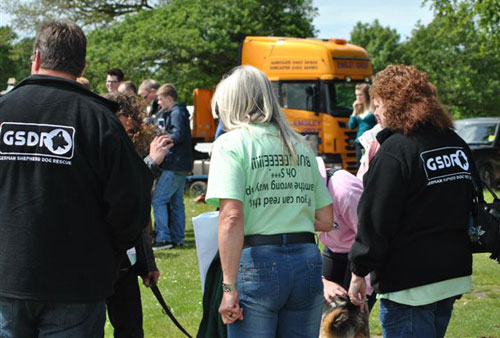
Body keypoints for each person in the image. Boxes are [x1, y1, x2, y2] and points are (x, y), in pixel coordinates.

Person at [0, 20, 153, 336]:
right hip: (74, 283)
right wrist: (108, 250)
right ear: (81, 63)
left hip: (17, 281)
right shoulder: (100, 121)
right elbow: (133, 203)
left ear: (37, 58)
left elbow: (131, 203)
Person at [205, 65, 333, 337]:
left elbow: (231, 217)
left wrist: (228, 288)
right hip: (307, 260)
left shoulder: (230, 144)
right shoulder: (300, 145)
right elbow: (325, 219)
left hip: (258, 262)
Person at [348, 65, 474, 338]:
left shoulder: (395, 151)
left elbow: (375, 219)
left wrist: (358, 272)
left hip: (410, 282)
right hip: (451, 273)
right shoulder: (454, 142)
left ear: (393, 105)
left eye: (378, 104)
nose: (376, 112)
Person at [104, 92, 173, 337]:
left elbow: (140, 214)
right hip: (96, 259)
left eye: (116, 115)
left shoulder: (127, 148)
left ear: (130, 122)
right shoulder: (97, 146)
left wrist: (147, 263)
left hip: (124, 260)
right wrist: (151, 163)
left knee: (130, 329)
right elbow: (124, 191)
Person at [316, 159, 375, 311]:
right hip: (333, 250)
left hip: (360, 253)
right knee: (321, 308)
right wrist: (321, 282)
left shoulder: (345, 191)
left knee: (352, 313)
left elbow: (371, 238)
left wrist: (365, 292)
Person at [152, 83, 193, 249]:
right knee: (177, 203)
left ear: (169, 98)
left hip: (174, 164)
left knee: (158, 199)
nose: (159, 103)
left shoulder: (176, 112)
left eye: (160, 99)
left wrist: (161, 136)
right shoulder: (179, 112)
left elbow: (178, 135)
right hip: (182, 164)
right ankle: (178, 238)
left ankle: (163, 238)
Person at [348, 83, 376, 166]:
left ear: (366, 95)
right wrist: (354, 111)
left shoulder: (373, 108)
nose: (358, 98)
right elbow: (351, 126)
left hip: (371, 142)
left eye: (360, 95)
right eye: (356, 95)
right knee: (360, 165)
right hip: (359, 142)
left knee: (371, 165)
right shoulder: (358, 109)